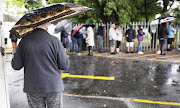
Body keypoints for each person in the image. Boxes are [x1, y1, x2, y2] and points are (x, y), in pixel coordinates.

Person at [11, 22, 70, 108]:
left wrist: (16, 52)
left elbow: (16, 65)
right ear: (47, 26)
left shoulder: (24, 42)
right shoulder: (54, 41)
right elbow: (64, 65)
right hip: (53, 85)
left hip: (33, 86)